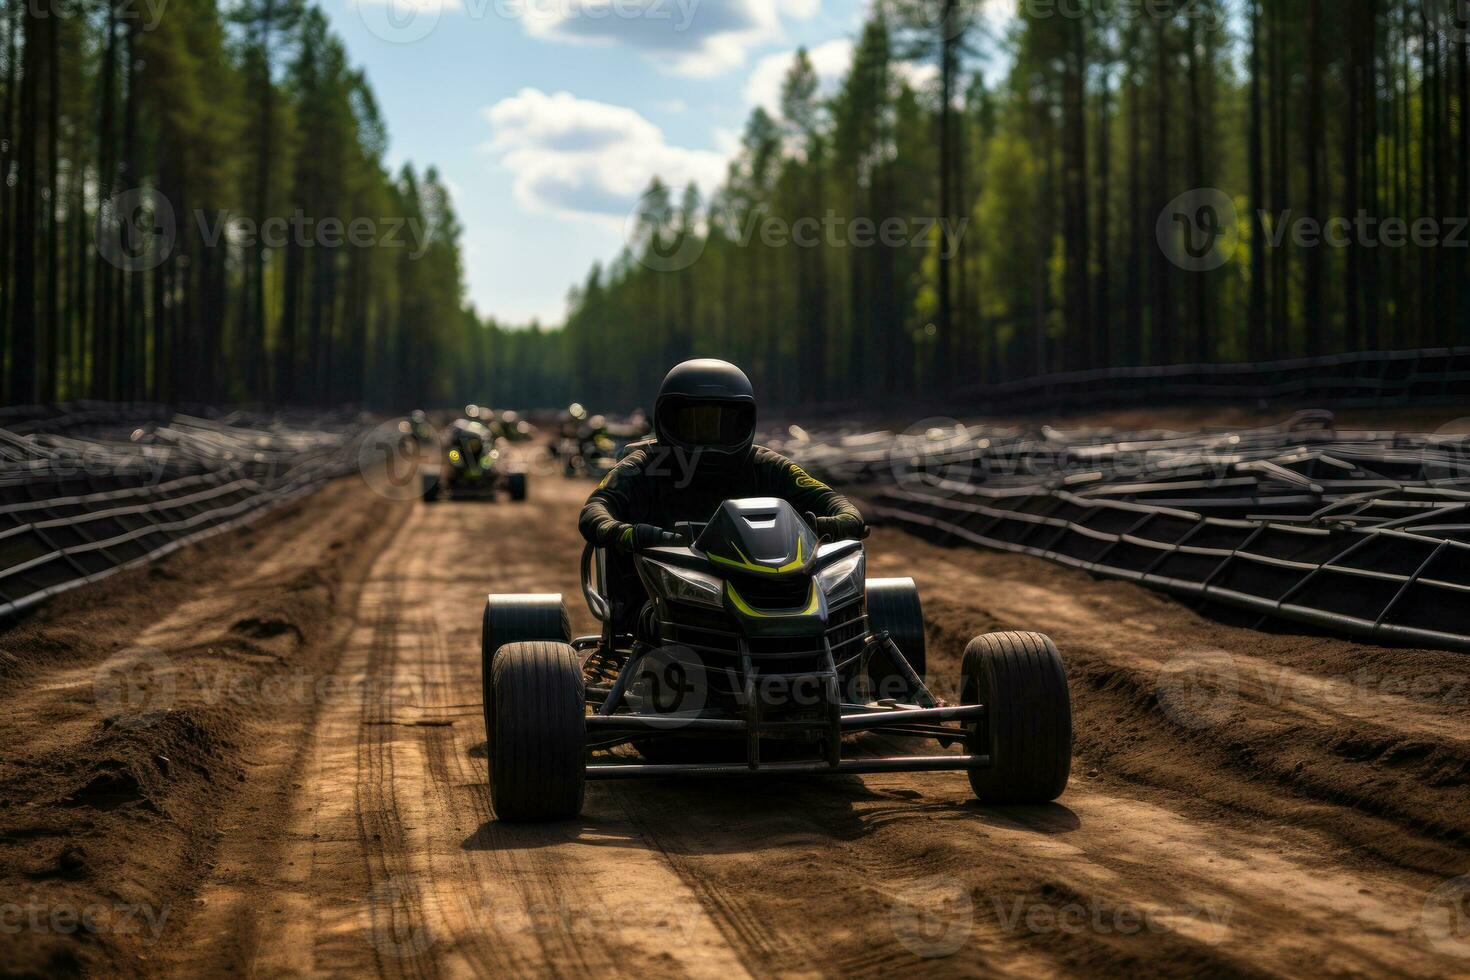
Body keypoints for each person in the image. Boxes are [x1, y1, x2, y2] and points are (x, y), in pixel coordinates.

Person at [579, 359, 864, 554]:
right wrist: (634, 535)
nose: (708, 436)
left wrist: (834, 522)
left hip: (760, 585)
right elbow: (596, 509)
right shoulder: (645, 465)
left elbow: (838, 505)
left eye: (721, 424)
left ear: (745, 422)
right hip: (656, 601)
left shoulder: (766, 465)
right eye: (695, 423)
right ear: (666, 421)